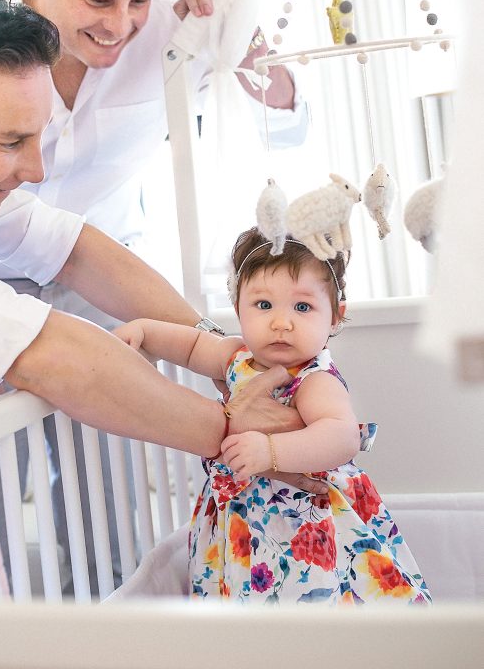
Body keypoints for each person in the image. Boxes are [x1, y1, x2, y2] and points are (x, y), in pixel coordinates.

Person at [0, 0, 309, 588]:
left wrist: (236, 32)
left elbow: (289, 119)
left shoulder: (170, 34)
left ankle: (112, 637)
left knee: (109, 507)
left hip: (101, 283)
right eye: (98, 0)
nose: (121, 25)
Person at [0, 0, 321, 473]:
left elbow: (72, 250)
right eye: (10, 143)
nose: (36, 171)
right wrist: (240, 436)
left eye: (38, 138)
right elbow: (35, 349)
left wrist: (222, 355)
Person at [113, 229, 432, 604]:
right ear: (238, 309)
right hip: (242, 520)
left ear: (334, 317)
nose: (281, 322)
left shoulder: (313, 380)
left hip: (302, 520)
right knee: (237, 591)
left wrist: (270, 450)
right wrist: (145, 331)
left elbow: (340, 436)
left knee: (307, 601)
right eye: (263, 305)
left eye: (302, 307)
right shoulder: (235, 356)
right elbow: (191, 344)